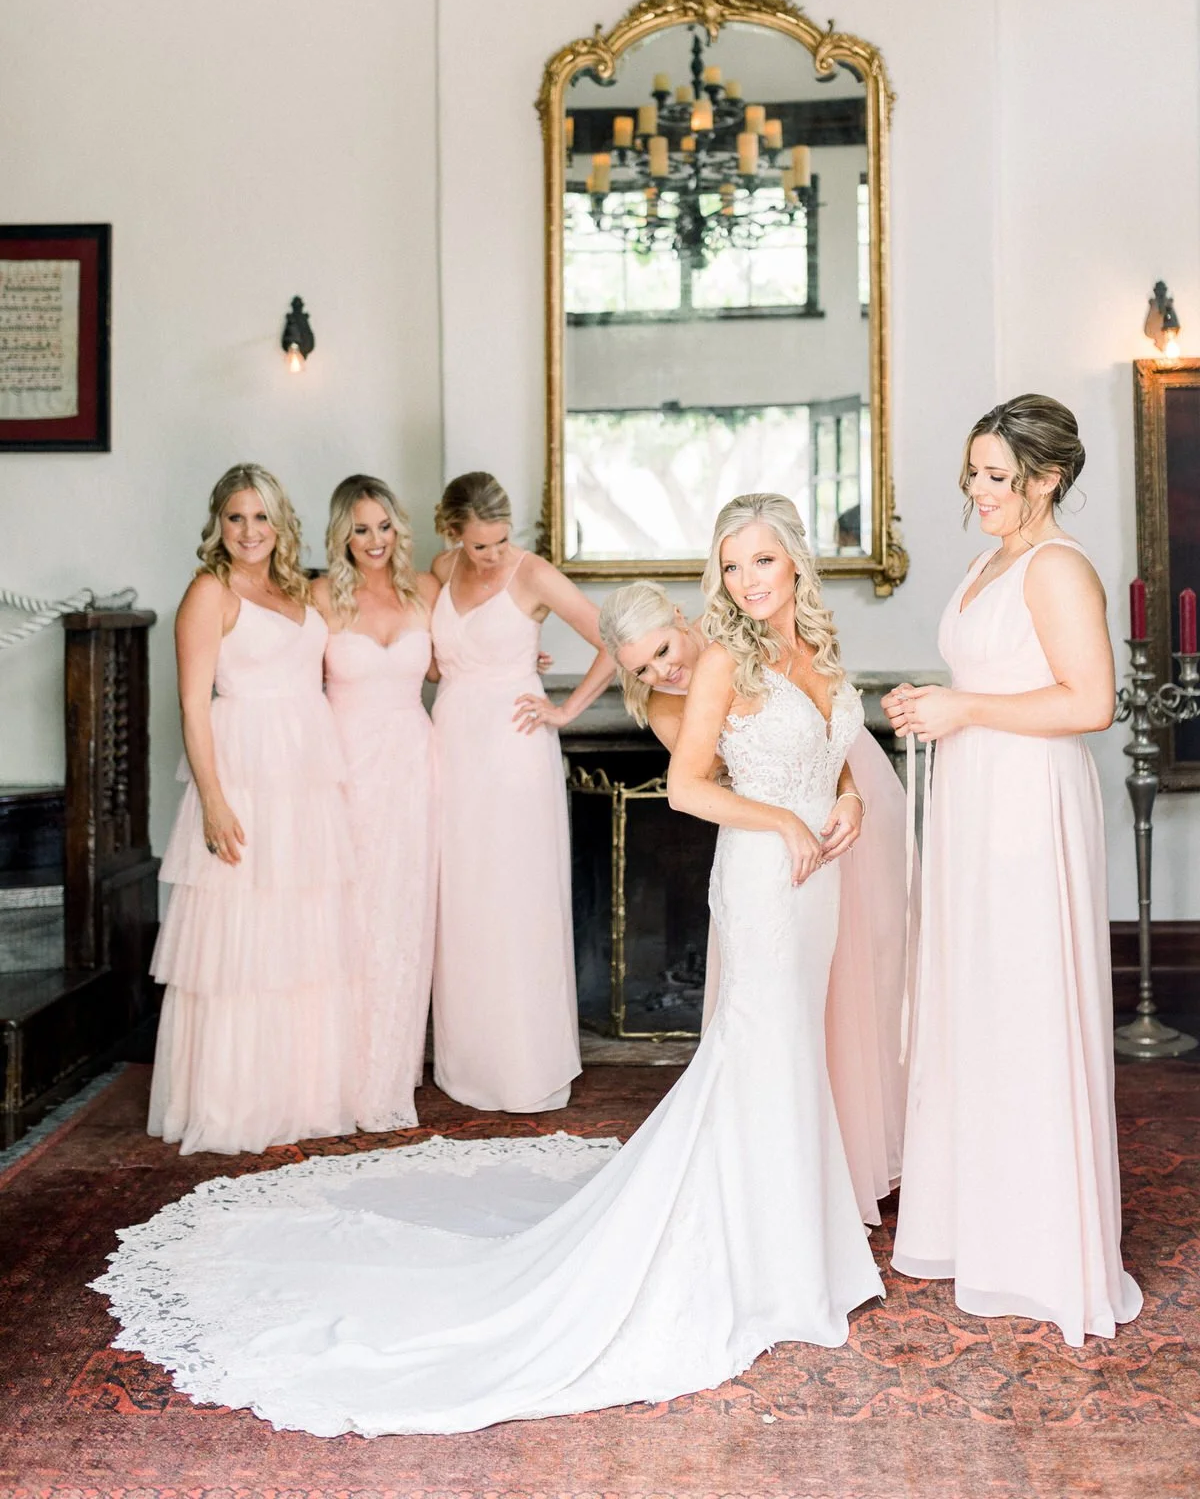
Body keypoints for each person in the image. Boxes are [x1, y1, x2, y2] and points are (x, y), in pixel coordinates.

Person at [93, 491, 883, 1437]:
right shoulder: (720, 659)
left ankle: (797, 1245)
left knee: (791, 1055)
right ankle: (761, 1259)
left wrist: (849, 800)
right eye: (732, 564)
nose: (748, 580)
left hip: (817, 885)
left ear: (795, 561)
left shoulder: (811, 648)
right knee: (757, 1051)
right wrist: (786, 818)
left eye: (762, 560)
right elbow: (690, 786)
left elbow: (826, 750)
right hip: (764, 878)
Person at [881, 393, 1143, 1344]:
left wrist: (967, 711)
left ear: (1049, 478)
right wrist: (933, 704)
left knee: (1026, 998)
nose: (978, 490)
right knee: (977, 999)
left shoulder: (1058, 567)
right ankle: (979, 1226)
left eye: (997, 476)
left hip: (1029, 806)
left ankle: (1042, 1247)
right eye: (974, 472)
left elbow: (1091, 703)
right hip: (975, 796)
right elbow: (990, 682)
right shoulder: (988, 562)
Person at [598, 577, 909, 1223]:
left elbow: (819, 731)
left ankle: (847, 1156)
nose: (662, 672)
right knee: (778, 1015)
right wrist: (786, 817)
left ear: (680, 617)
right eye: (643, 669)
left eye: (662, 650)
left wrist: (849, 792)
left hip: (843, 797)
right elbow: (717, 783)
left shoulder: (746, 635)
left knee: (864, 978)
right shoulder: (666, 705)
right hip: (778, 849)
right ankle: (770, 1183)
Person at [147, 464, 356, 1155]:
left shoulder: (297, 589)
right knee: (240, 940)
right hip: (244, 774)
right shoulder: (209, 591)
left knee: (297, 934)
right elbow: (192, 705)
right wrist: (213, 801)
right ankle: (234, 1100)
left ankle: (298, 1095)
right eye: (236, 517)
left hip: (305, 780)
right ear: (218, 523)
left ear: (279, 522)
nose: (249, 530)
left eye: (261, 516)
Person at [428, 471, 614, 1112]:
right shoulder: (440, 569)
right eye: (479, 545)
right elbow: (434, 662)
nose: (492, 555)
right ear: (452, 532)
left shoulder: (533, 574)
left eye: (501, 541)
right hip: (452, 746)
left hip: (514, 751)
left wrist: (566, 709)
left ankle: (525, 1064)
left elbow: (614, 640)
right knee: (464, 899)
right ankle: (469, 1062)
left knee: (515, 898)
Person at [313, 476, 439, 1132]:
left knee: (403, 918)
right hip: (345, 773)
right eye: (360, 529)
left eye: (384, 526)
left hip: (415, 772)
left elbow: (453, 665)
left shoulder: (425, 591)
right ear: (341, 534)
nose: (374, 540)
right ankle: (336, 1077)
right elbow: (292, 686)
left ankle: (389, 1074)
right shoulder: (319, 597)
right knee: (349, 920)